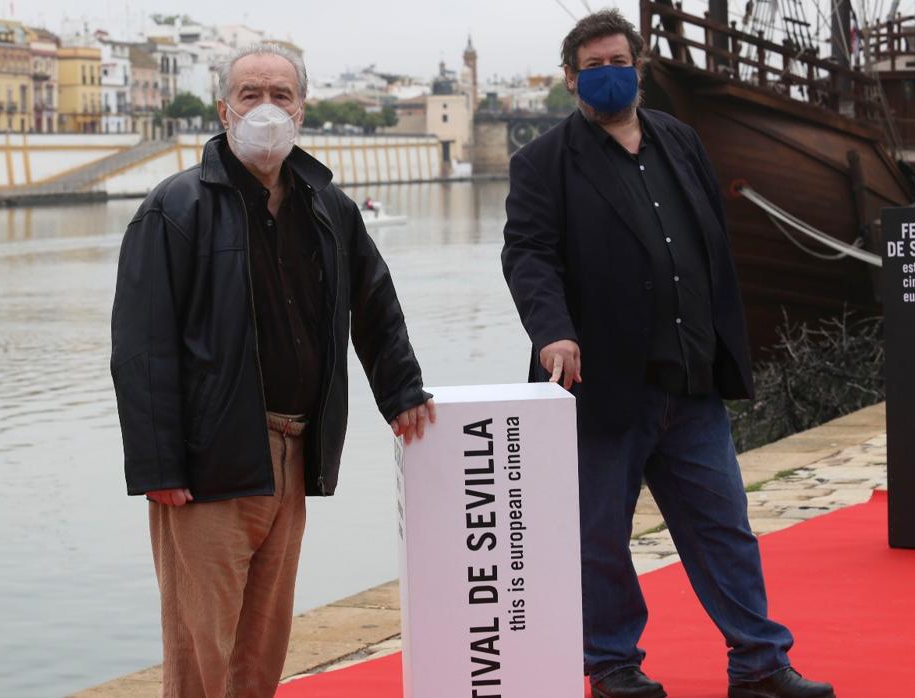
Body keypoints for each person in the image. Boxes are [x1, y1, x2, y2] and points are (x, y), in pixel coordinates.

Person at [500, 10, 833, 698]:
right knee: (599, 535)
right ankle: (613, 665)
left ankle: (759, 664)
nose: (606, 74)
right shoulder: (542, 163)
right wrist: (552, 329)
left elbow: (705, 242)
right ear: (570, 79)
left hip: (690, 381)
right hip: (601, 384)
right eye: (591, 66)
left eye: (616, 60)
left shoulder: (680, 141)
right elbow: (528, 255)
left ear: (640, 65)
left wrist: (725, 344)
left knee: (724, 528)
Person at [110, 43, 435, 698]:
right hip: (211, 460)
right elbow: (141, 346)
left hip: (293, 448)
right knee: (202, 646)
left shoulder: (326, 206)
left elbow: (373, 301)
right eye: (251, 95)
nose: (266, 109)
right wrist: (158, 465)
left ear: (302, 110)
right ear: (223, 108)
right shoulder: (175, 209)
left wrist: (400, 389)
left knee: (263, 641)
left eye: (280, 96)